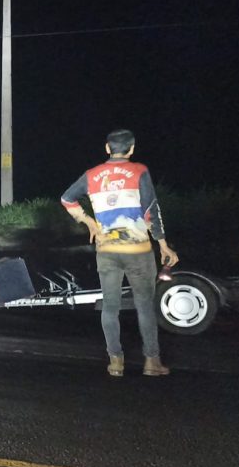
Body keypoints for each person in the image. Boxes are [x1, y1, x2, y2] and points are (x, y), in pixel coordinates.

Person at [61, 129, 179, 377]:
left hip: (107, 251)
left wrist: (89, 222)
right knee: (145, 306)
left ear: (107, 148)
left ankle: (116, 362)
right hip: (138, 251)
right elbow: (151, 210)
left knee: (110, 307)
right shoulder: (139, 171)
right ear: (132, 148)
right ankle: (151, 362)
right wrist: (164, 244)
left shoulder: (92, 175)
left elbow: (67, 198)